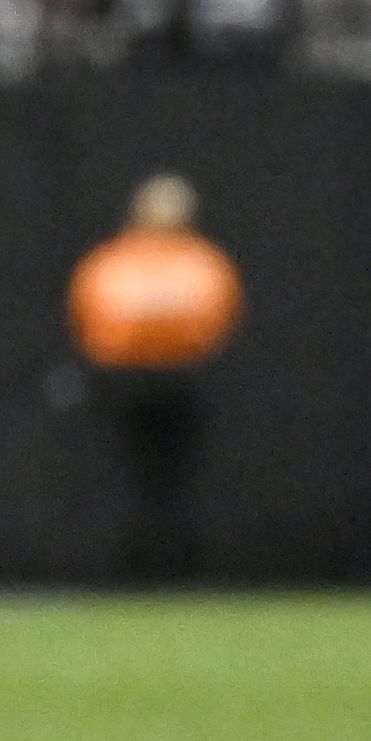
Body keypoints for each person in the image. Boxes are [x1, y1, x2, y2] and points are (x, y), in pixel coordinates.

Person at [66, 175, 241, 582]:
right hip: (130, 383)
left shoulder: (197, 261)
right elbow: (93, 317)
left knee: (176, 482)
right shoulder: (118, 262)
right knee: (133, 480)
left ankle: (179, 570)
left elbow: (219, 314)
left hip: (179, 379)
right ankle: (131, 571)